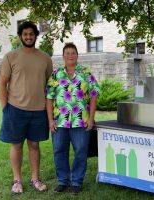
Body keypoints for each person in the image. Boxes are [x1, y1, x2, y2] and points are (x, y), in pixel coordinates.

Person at [0, 21, 53, 194]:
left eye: (31, 34)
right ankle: (17, 181)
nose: (28, 37)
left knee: (34, 145)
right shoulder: (10, 56)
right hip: (15, 109)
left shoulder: (45, 58)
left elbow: (49, 86)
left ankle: (35, 179)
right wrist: (4, 108)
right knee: (16, 145)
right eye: (25, 34)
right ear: (21, 36)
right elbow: (2, 83)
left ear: (36, 36)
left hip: (38, 110)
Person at [46, 43, 99, 195]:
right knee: (59, 151)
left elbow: (94, 95)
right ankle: (63, 181)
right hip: (60, 121)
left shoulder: (85, 73)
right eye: (67, 52)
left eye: (73, 52)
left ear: (77, 55)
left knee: (81, 151)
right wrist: (50, 120)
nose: (70, 55)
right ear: (63, 56)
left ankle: (76, 182)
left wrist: (91, 118)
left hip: (81, 120)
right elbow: (49, 98)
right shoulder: (56, 74)